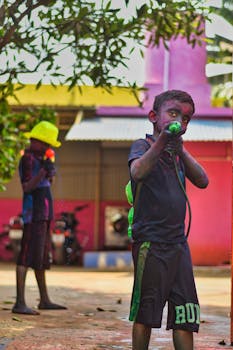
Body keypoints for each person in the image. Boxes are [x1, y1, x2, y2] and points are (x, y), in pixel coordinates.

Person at [128, 90, 209, 350]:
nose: (180, 122)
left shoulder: (178, 154)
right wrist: (162, 141)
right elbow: (138, 171)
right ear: (154, 116)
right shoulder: (143, 146)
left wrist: (181, 151)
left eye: (186, 119)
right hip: (151, 244)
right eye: (173, 114)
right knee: (146, 313)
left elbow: (203, 180)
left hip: (178, 244)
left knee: (185, 313)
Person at [12, 121, 67, 315]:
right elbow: (27, 187)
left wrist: (49, 171)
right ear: (36, 141)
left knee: (40, 257)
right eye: (45, 144)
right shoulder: (28, 159)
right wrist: (44, 170)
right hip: (33, 215)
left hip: (43, 214)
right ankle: (19, 303)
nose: (48, 148)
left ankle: (44, 299)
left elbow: (46, 183)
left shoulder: (39, 158)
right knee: (26, 255)